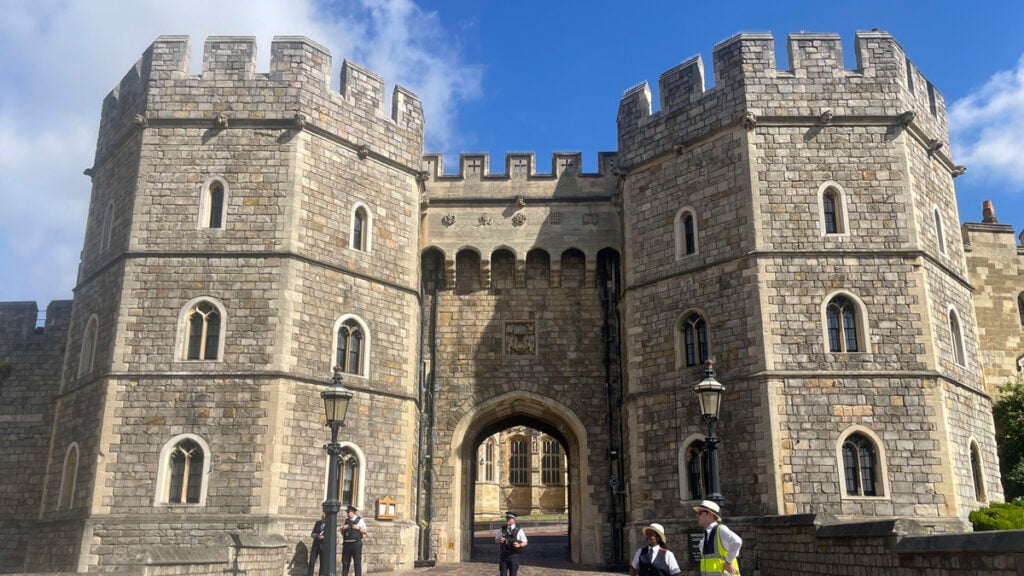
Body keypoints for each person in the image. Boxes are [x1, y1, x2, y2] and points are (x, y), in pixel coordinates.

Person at [694, 500, 742, 576]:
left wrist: (728, 562)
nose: (697, 515)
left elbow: (737, 541)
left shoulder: (720, 529)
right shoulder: (706, 536)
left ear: (710, 515)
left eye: (700, 513)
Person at [495, 512, 528, 576]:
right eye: (507, 518)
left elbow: (525, 542)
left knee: (513, 574)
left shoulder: (519, 530)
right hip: (504, 555)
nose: (507, 520)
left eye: (509, 519)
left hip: (514, 555)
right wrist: (499, 540)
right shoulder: (502, 529)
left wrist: (519, 545)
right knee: (502, 574)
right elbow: (496, 540)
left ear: (514, 520)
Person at [340, 505, 367, 576]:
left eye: (349, 512)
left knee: (357, 562)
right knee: (345, 562)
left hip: (356, 544)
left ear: (353, 512)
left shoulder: (360, 520)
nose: (348, 513)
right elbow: (342, 532)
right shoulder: (346, 520)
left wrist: (358, 528)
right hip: (346, 544)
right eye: (347, 512)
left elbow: (365, 531)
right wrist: (343, 528)